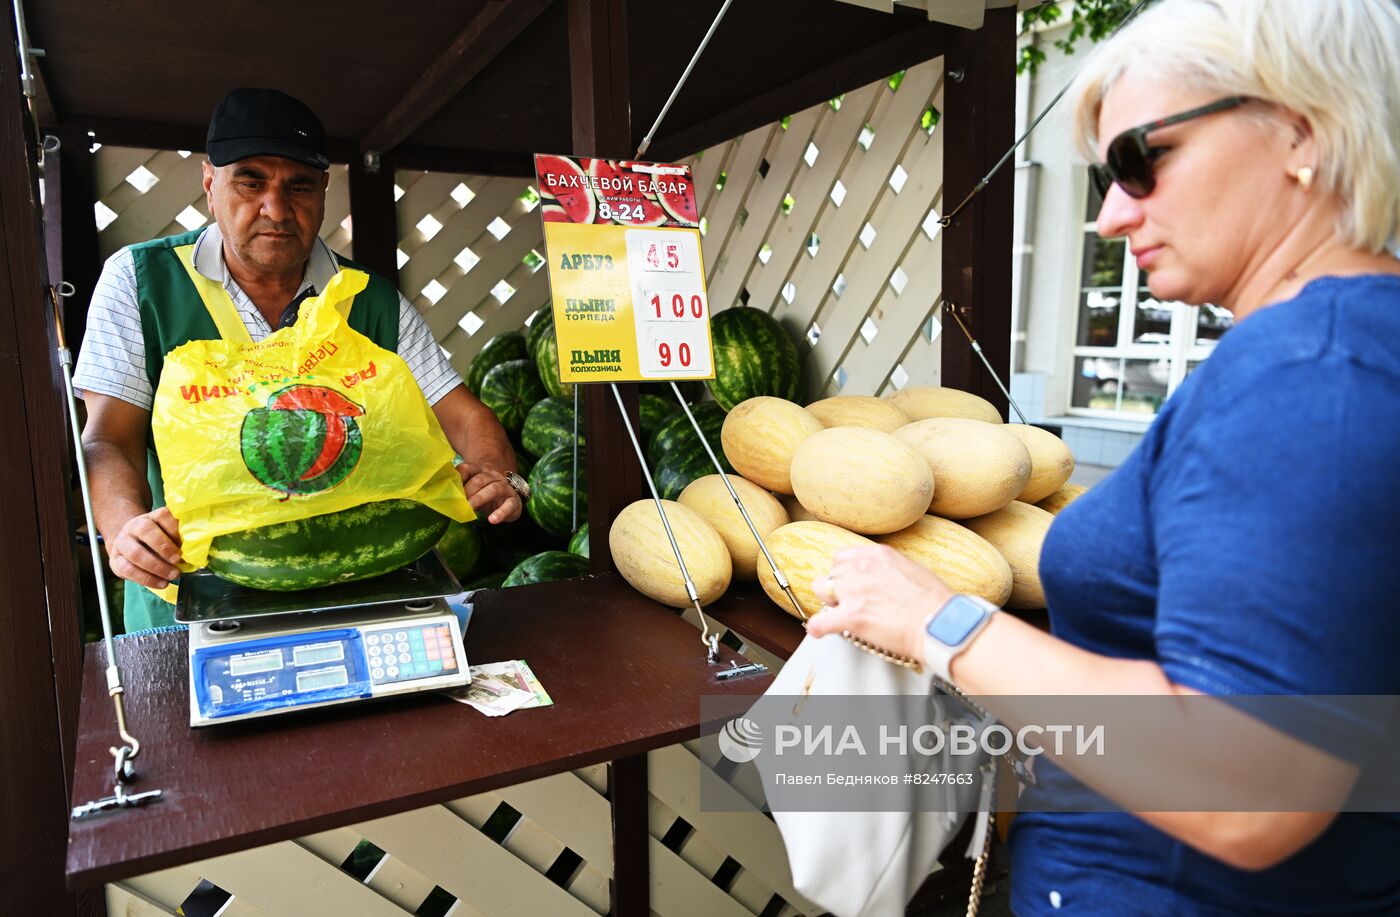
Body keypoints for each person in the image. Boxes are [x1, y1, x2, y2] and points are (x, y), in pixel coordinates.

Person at [805, 0, 1400, 913]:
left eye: (1138, 161)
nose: (1113, 216)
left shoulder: (1306, 373)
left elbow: (1247, 783)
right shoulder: (1350, 348)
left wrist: (941, 624)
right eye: (1102, 180)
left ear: (1299, 131)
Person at [74, 88, 524, 632]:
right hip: (191, 602)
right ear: (210, 182)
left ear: (324, 191)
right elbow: (108, 438)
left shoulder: (368, 298)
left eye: (299, 186)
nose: (277, 208)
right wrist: (126, 530)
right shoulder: (141, 282)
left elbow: (465, 416)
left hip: (362, 593)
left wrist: (499, 476)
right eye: (251, 180)